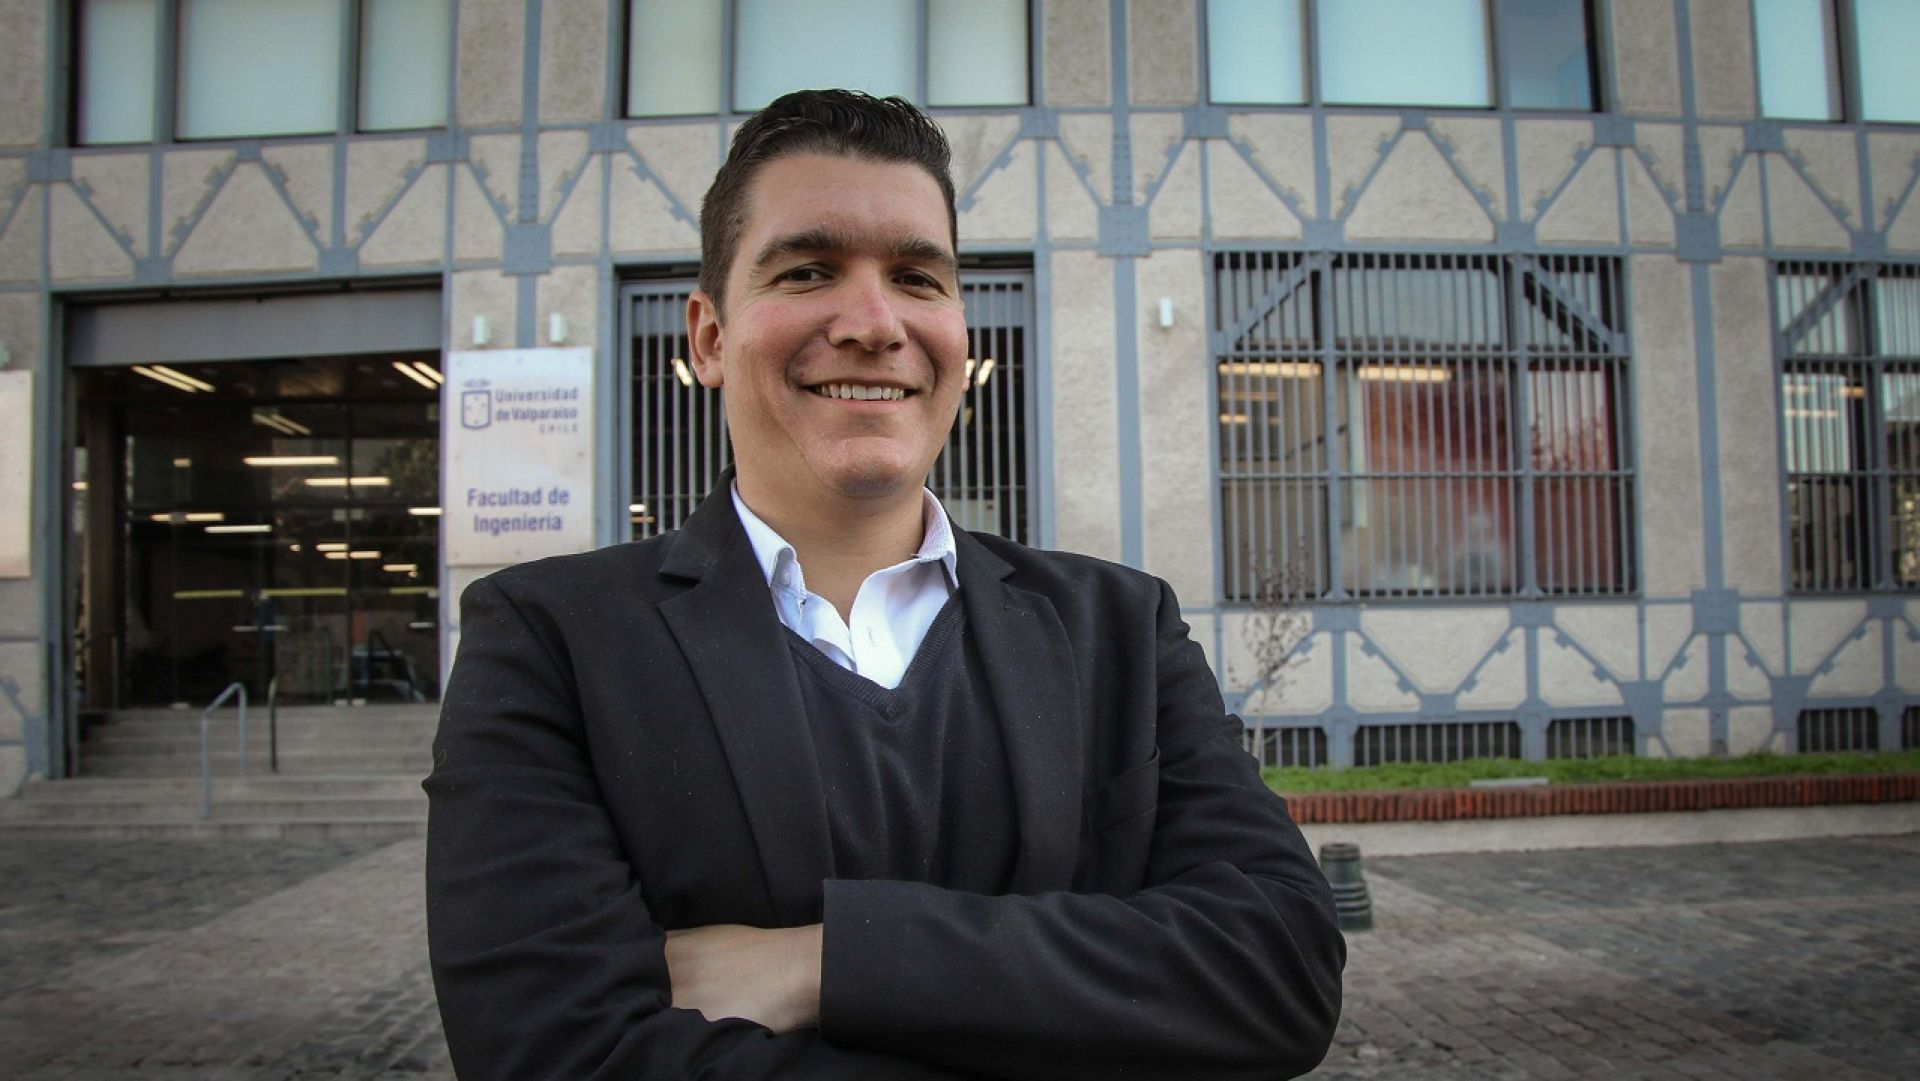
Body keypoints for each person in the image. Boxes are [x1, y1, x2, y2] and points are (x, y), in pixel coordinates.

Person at [425, 89, 1344, 1080]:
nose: (874, 322)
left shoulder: (1120, 627)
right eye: (808, 270)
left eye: (916, 277)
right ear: (709, 336)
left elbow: (1279, 969)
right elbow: (555, 1051)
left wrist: (825, 962)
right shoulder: (550, 640)